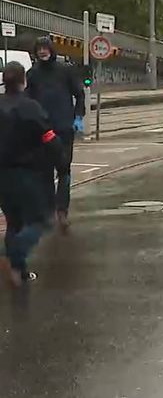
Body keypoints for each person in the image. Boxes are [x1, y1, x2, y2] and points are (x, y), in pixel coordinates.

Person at [0, 61, 64, 286]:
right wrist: (61, 163)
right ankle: (15, 256)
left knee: (13, 222)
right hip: (27, 174)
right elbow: (49, 139)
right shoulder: (30, 108)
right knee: (41, 220)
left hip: (2, 174)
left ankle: (19, 272)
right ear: (22, 81)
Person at [25, 35, 85, 227]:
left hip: (64, 129)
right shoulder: (32, 74)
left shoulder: (65, 71)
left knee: (64, 171)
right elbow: (29, 99)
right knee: (44, 173)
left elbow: (79, 94)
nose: (42, 51)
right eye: (39, 49)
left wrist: (78, 117)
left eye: (45, 48)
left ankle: (62, 211)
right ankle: (49, 210)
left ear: (51, 50)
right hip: (42, 130)